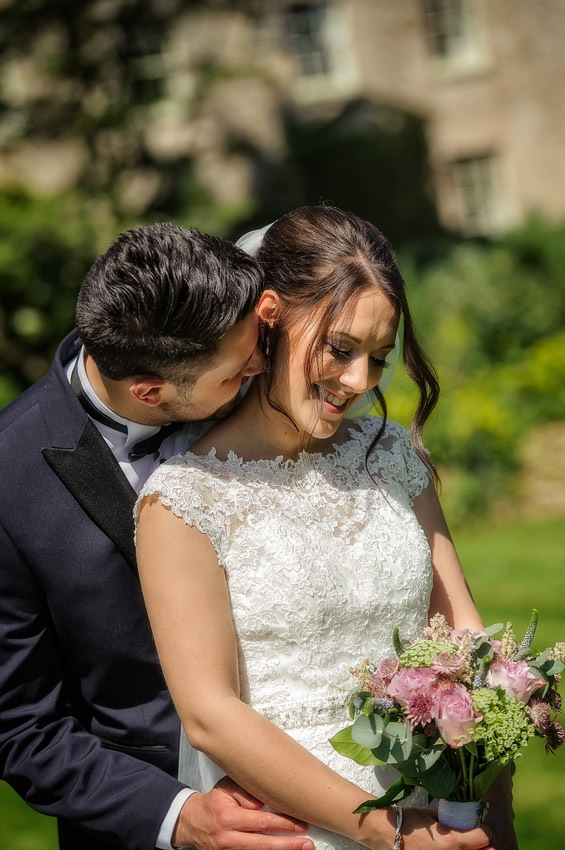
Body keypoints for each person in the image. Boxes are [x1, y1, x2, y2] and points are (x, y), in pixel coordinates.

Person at [135, 206, 516, 850]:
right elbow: (211, 717)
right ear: (270, 315)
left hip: (440, 802)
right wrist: (394, 829)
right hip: (295, 824)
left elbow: (462, 631)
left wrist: (483, 786)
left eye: (377, 357)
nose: (359, 382)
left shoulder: (389, 455)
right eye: (340, 349)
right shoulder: (183, 501)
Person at [0, 222, 315, 850]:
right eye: (236, 372)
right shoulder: (9, 480)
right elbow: (21, 726)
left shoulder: (247, 382)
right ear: (151, 391)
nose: (262, 368)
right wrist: (180, 818)